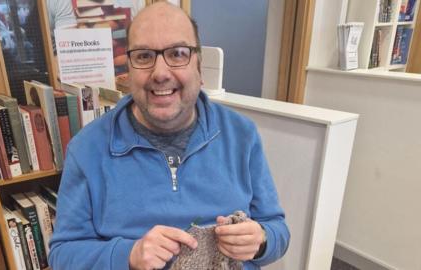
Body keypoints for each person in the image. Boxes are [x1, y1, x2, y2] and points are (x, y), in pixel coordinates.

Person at [48, 2, 290, 270]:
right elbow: (62, 255)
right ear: (128, 69)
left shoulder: (242, 135)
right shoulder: (87, 149)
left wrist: (261, 241)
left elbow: (277, 229)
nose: (160, 73)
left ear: (199, 66)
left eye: (177, 53)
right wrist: (128, 254)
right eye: (143, 56)